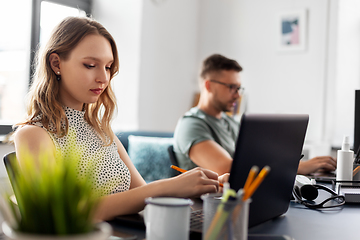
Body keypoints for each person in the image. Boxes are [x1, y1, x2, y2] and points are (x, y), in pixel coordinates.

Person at [13, 17, 228, 221]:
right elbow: (63, 214)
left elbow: (144, 196)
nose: (104, 77)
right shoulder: (33, 134)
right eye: (90, 65)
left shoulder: (101, 131)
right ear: (56, 64)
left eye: (108, 67)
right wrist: (169, 186)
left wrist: (206, 185)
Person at [173, 54, 337, 176]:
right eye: (232, 87)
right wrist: (295, 167)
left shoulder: (231, 122)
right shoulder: (191, 124)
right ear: (208, 85)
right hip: (207, 206)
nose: (237, 95)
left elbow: (259, 154)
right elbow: (225, 168)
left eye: (239, 88)